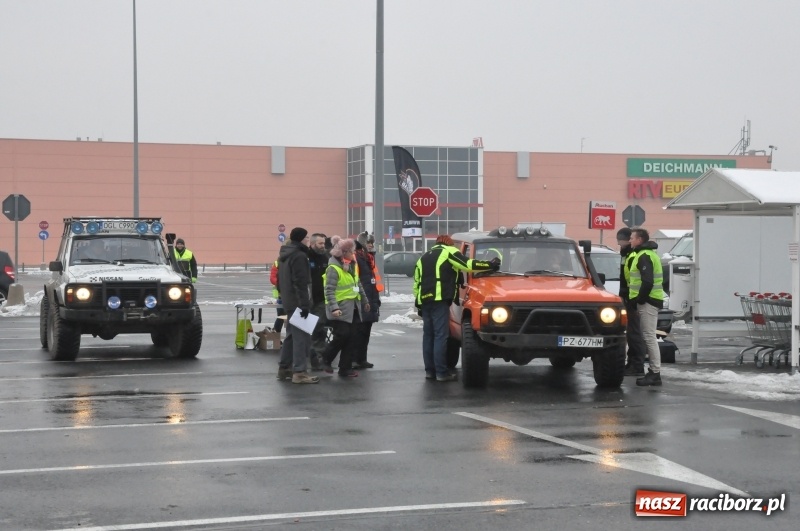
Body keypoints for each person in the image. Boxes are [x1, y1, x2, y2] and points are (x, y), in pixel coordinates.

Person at [414, 234, 500, 382]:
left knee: (428, 336)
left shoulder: (424, 257)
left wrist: (419, 304)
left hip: (425, 301)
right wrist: (490, 265)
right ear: (448, 243)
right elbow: (467, 264)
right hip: (439, 300)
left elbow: (416, 283)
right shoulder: (448, 252)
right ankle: (441, 372)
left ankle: (430, 371)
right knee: (441, 335)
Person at [321, 236, 370, 378]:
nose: (353, 254)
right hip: (340, 309)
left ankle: (345, 367)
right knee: (342, 335)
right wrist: (334, 308)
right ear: (343, 253)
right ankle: (326, 357)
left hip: (353, 307)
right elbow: (329, 290)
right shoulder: (333, 268)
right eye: (351, 251)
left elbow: (357, 284)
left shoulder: (351, 265)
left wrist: (365, 301)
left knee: (352, 337)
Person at [276, 227, 319, 384]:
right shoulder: (299, 256)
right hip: (298, 302)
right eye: (307, 238)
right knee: (301, 337)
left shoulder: (284, 255)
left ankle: (284, 368)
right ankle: (299, 372)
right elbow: (301, 282)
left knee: (291, 336)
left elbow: (280, 281)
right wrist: (305, 305)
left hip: (289, 301)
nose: (308, 240)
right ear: (302, 239)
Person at [628, 228, 666, 386]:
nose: (630, 240)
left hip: (648, 301)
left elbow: (648, 281)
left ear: (639, 239)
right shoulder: (647, 254)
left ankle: (655, 373)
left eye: (632, 238)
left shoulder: (644, 256)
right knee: (648, 336)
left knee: (649, 337)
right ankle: (654, 372)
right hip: (650, 300)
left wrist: (640, 300)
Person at [617, 227, 647, 377]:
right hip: (628, 296)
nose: (621, 242)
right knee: (631, 332)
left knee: (634, 333)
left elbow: (633, 278)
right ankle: (632, 363)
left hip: (633, 298)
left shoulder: (633, 254)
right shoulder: (625, 253)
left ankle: (637, 364)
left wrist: (629, 296)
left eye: (623, 239)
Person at [353, 232, 381, 369]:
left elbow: (373, 282)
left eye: (372, 243)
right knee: (358, 331)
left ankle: (362, 359)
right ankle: (355, 359)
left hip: (371, 298)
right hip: (362, 299)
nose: (371, 245)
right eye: (368, 242)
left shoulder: (369, 259)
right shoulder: (357, 258)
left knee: (366, 331)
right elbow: (356, 281)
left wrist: (376, 299)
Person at [307, 232, 329, 369]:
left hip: (322, 299)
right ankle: (309, 354)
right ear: (313, 243)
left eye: (324, 243)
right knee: (306, 329)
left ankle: (318, 355)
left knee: (319, 326)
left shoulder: (326, 257)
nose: (323, 246)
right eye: (320, 243)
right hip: (308, 299)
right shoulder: (306, 257)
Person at [269, 256, 286, 334]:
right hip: (281, 295)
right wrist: (283, 284)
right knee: (281, 317)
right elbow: (272, 278)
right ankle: (276, 337)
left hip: (288, 295)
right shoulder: (277, 263)